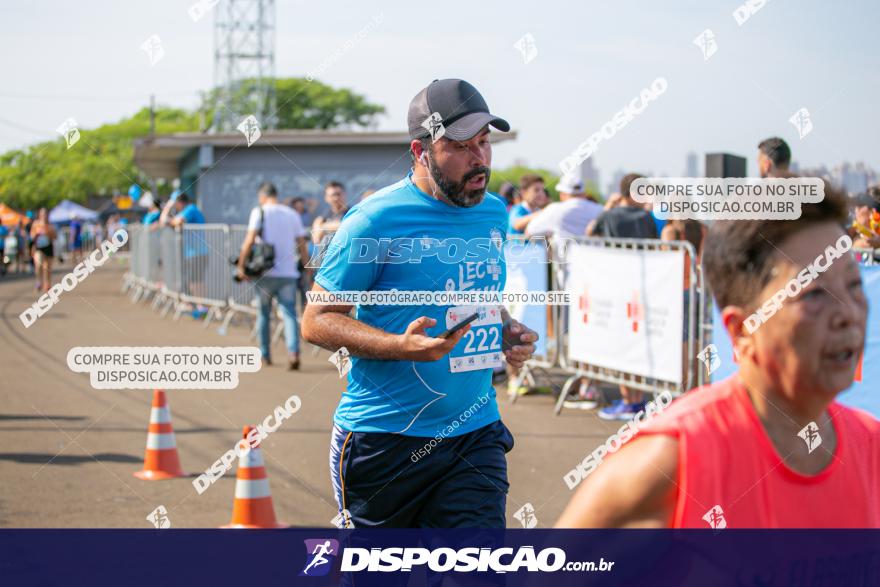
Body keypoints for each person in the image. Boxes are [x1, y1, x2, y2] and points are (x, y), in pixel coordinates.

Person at [556, 184, 879, 528]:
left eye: (854, 285)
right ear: (742, 329)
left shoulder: (870, 446)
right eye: (814, 294)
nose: (849, 313)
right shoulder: (670, 461)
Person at [301, 78, 538, 528]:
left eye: (485, 143)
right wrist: (399, 346)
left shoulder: (493, 212)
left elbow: (480, 297)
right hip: (385, 440)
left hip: (475, 433)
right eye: (460, 146)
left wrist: (506, 328)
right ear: (420, 151)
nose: (479, 158)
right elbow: (316, 321)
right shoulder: (374, 220)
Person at [586, 173, 658, 420]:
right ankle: (636, 400)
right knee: (637, 342)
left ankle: (629, 401)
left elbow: (590, 234)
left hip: (615, 286)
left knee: (621, 344)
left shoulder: (609, 215)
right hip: (642, 286)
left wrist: (608, 207)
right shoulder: (646, 217)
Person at [237, 182, 310, 370]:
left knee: (263, 314)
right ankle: (293, 353)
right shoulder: (292, 214)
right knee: (289, 314)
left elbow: (249, 240)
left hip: (265, 273)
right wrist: (308, 268)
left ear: (262, 196)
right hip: (288, 273)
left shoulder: (259, 211)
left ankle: (265, 354)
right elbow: (301, 243)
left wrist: (241, 265)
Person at [161, 191, 209, 316]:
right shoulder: (188, 210)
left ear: (179, 202)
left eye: (175, 203)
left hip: (197, 253)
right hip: (192, 253)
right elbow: (165, 222)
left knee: (197, 281)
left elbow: (175, 222)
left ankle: (202, 307)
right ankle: (198, 306)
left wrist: (167, 208)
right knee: (193, 281)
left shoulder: (190, 209)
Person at [526, 170, 603, 240]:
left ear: (562, 194)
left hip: (565, 255)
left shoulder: (554, 209)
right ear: (583, 193)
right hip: (594, 254)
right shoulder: (600, 210)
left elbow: (529, 232)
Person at [310, 181, 349, 246]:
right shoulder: (321, 218)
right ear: (326, 198)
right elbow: (316, 239)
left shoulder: (353, 213)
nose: (336, 198)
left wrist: (324, 227)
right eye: (332, 195)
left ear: (344, 194)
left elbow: (350, 227)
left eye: (338, 194)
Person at [30, 208, 57, 293]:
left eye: (45, 214)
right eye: (42, 214)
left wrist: (48, 233)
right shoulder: (36, 224)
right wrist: (37, 234)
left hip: (48, 247)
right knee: (38, 264)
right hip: (39, 248)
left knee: (47, 267)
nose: (44, 216)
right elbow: (31, 236)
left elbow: (55, 237)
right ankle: (39, 281)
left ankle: (47, 283)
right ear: (39, 215)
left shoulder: (50, 225)